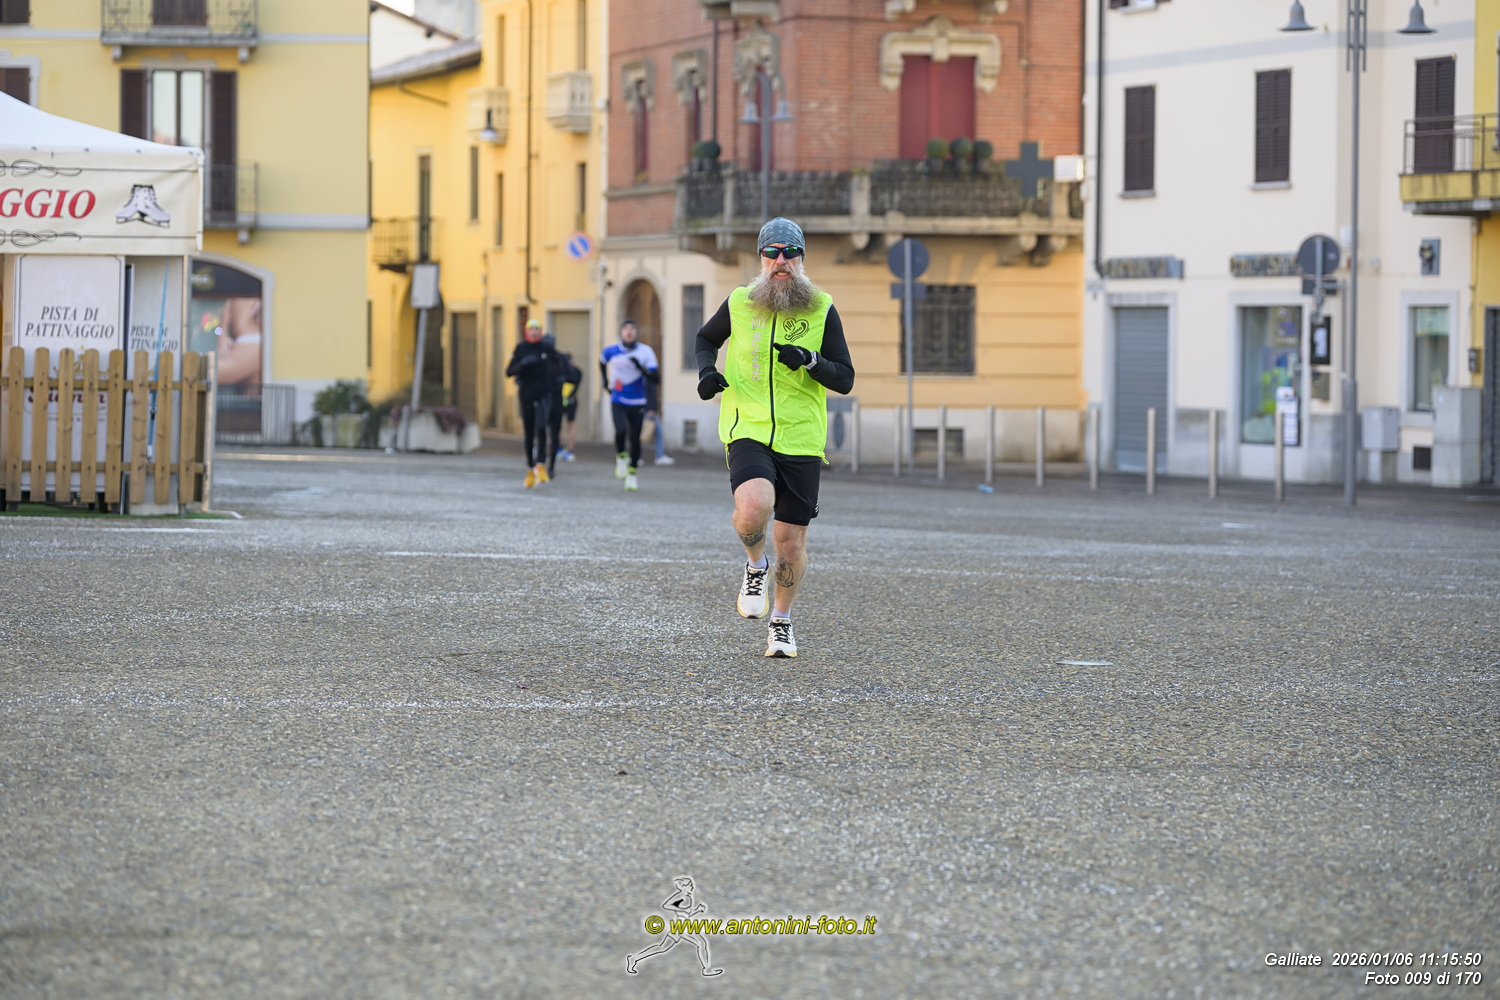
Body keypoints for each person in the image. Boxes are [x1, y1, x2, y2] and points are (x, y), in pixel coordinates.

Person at [694, 217, 855, 658]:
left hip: (801, 437)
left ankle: (781, 621)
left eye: (789, 252)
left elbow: (845, 378)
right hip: (747, 426)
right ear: (761, 258)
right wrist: (707, 371)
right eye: (772, 252)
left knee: (791, 542)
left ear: (801, 258)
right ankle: (754, 565)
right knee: (752, 508)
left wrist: (811, 361)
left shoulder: (821, 308)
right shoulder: (741, 302)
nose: (780, 261)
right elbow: (706, 338)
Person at [599, 319, 659, 492]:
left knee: (635, 438)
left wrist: (640, 367)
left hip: (638, 401)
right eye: (625, 328)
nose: (629, 331)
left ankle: (632, 474)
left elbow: (655, 378)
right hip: (618, 399)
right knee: (620, 431)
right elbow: (602, 362)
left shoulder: (645, 351)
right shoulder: (611, 350)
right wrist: (605, 381)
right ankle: (620, 457)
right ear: (621, 333)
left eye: (632, 329)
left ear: (636, 333)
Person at [504, 318, 556, 488]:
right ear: (526, 332)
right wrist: (523, 364)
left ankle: (541, 464)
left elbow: (557, 368)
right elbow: (509, 371)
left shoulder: (547, 348)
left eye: (537, 329)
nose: (534, 332)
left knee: (541, 427)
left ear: (541, 331)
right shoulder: (521, 348)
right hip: (526, 394)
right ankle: (529, 468)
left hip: (543, 394)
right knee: (528, 433)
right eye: (531, 329)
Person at [644, 378, 674, 466]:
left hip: (651, 410)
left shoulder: (650, 378)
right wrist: (649, 408)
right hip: (648, 410)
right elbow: (647, 394)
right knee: (642, 434)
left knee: (657, 432)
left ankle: (659, 456)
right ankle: (659, 456)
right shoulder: (646, 379)